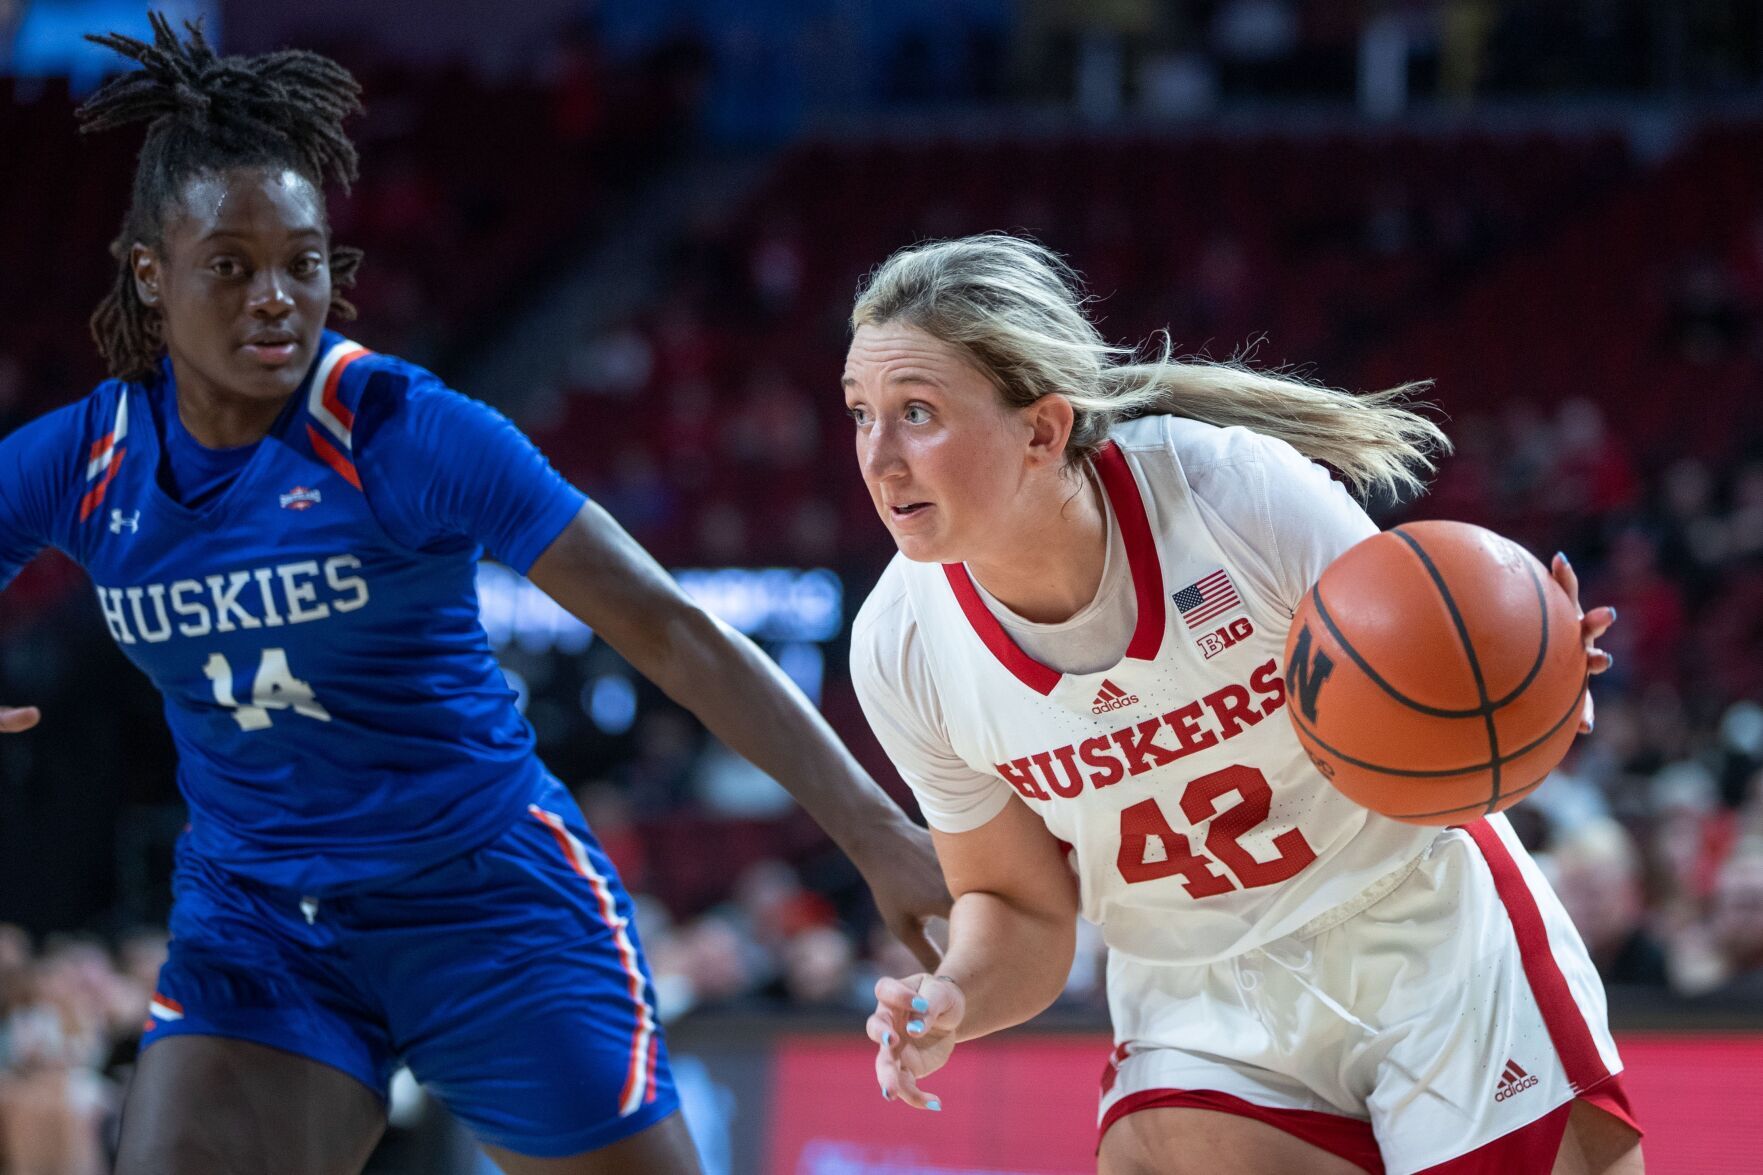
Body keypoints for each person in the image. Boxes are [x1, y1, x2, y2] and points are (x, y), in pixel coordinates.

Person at [0, 17, 950, 1175]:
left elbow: (669, 627)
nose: (274, 299)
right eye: (229, 266)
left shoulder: (404, 429)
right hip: (261, 922)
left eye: (301, 261)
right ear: (151, 274)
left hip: (490, 905)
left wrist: (876, 831)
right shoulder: (81, 461)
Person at [848, 234, 1644, 1174]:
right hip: (1194, 993)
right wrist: (955, 995)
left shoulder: (1236, 494)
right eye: (860, 414)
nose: (880, 456)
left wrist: (1528, 672)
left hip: (1416, 920)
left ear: (1041, 428)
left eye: (916, 413)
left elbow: (1433, 663)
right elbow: (1017, 905)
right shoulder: (899, 647)